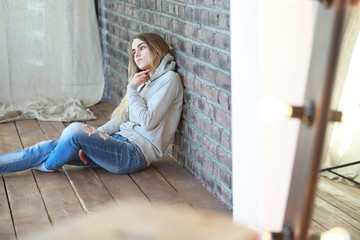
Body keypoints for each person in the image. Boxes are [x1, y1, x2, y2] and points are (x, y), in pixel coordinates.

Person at [0, 32, 183, 175]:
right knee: (47, 146)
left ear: (156, 48)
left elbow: (148, 122)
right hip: (114, 143)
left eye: (142, 48)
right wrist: (94, 137)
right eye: (134, 51)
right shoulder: (144, 82)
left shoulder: (169, 80)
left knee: (73, 131)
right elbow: (119, 120)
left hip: (133, 155)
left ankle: (49, 166)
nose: (136, 55)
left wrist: (132, 90)